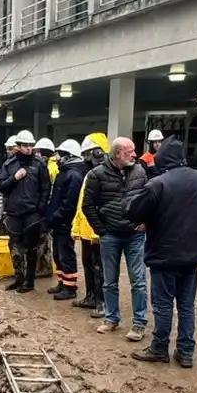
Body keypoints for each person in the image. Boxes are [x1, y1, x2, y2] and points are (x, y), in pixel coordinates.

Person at [126, 136, 197, 367]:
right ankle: (186, 351)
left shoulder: (158, 184)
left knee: (163, 304)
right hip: (191, 257)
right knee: (187, 305)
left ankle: (159, 348)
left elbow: (135, 212)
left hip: (164, 255)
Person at [82, 136, 150, 340]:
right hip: (110, 236)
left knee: (138, 281)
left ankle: (139, 324)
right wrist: (102, 230)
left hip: (135, 236)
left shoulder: (139, 171)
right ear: (118, 153)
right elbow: (88, 206)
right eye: (130, 151)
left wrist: (146, 222)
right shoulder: (97, 175)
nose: (135, 155)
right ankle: (112, 319)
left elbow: (148, 198)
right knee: (109, 281)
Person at [0, 129, 51, 294]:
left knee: (31, 249)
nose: (28, 148)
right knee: (15, 248)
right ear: (18, 146)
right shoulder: (9, 165)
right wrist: (15, 178)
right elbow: (1, 186)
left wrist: (40, 210)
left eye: (30, 145)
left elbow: (46, 188)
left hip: (32, 214)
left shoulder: (39, 164)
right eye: (25, 145)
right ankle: (18, 277)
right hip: (14, 213)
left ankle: (29, 281)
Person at [70, 133, 110, 311]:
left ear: (98, 153)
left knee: (99, 265)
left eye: (87, 154)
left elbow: (105, 205)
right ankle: (91, 296)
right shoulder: (91, 174)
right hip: (87, 229)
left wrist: (98, 231)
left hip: (98, 230)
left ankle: (102, 302)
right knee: (87, 262)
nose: (85, 159)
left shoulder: (107, 174)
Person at [46, 139, 86, 300]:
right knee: (58, 253)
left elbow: (69, 203)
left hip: (65, 222)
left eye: (61, 154)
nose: (57, 157)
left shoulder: (73, 175)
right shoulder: (65, 172)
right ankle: (63, 282)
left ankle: (70, 288)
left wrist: (56, 217)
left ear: (69, 156)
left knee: (66, 254)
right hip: (59, 222)